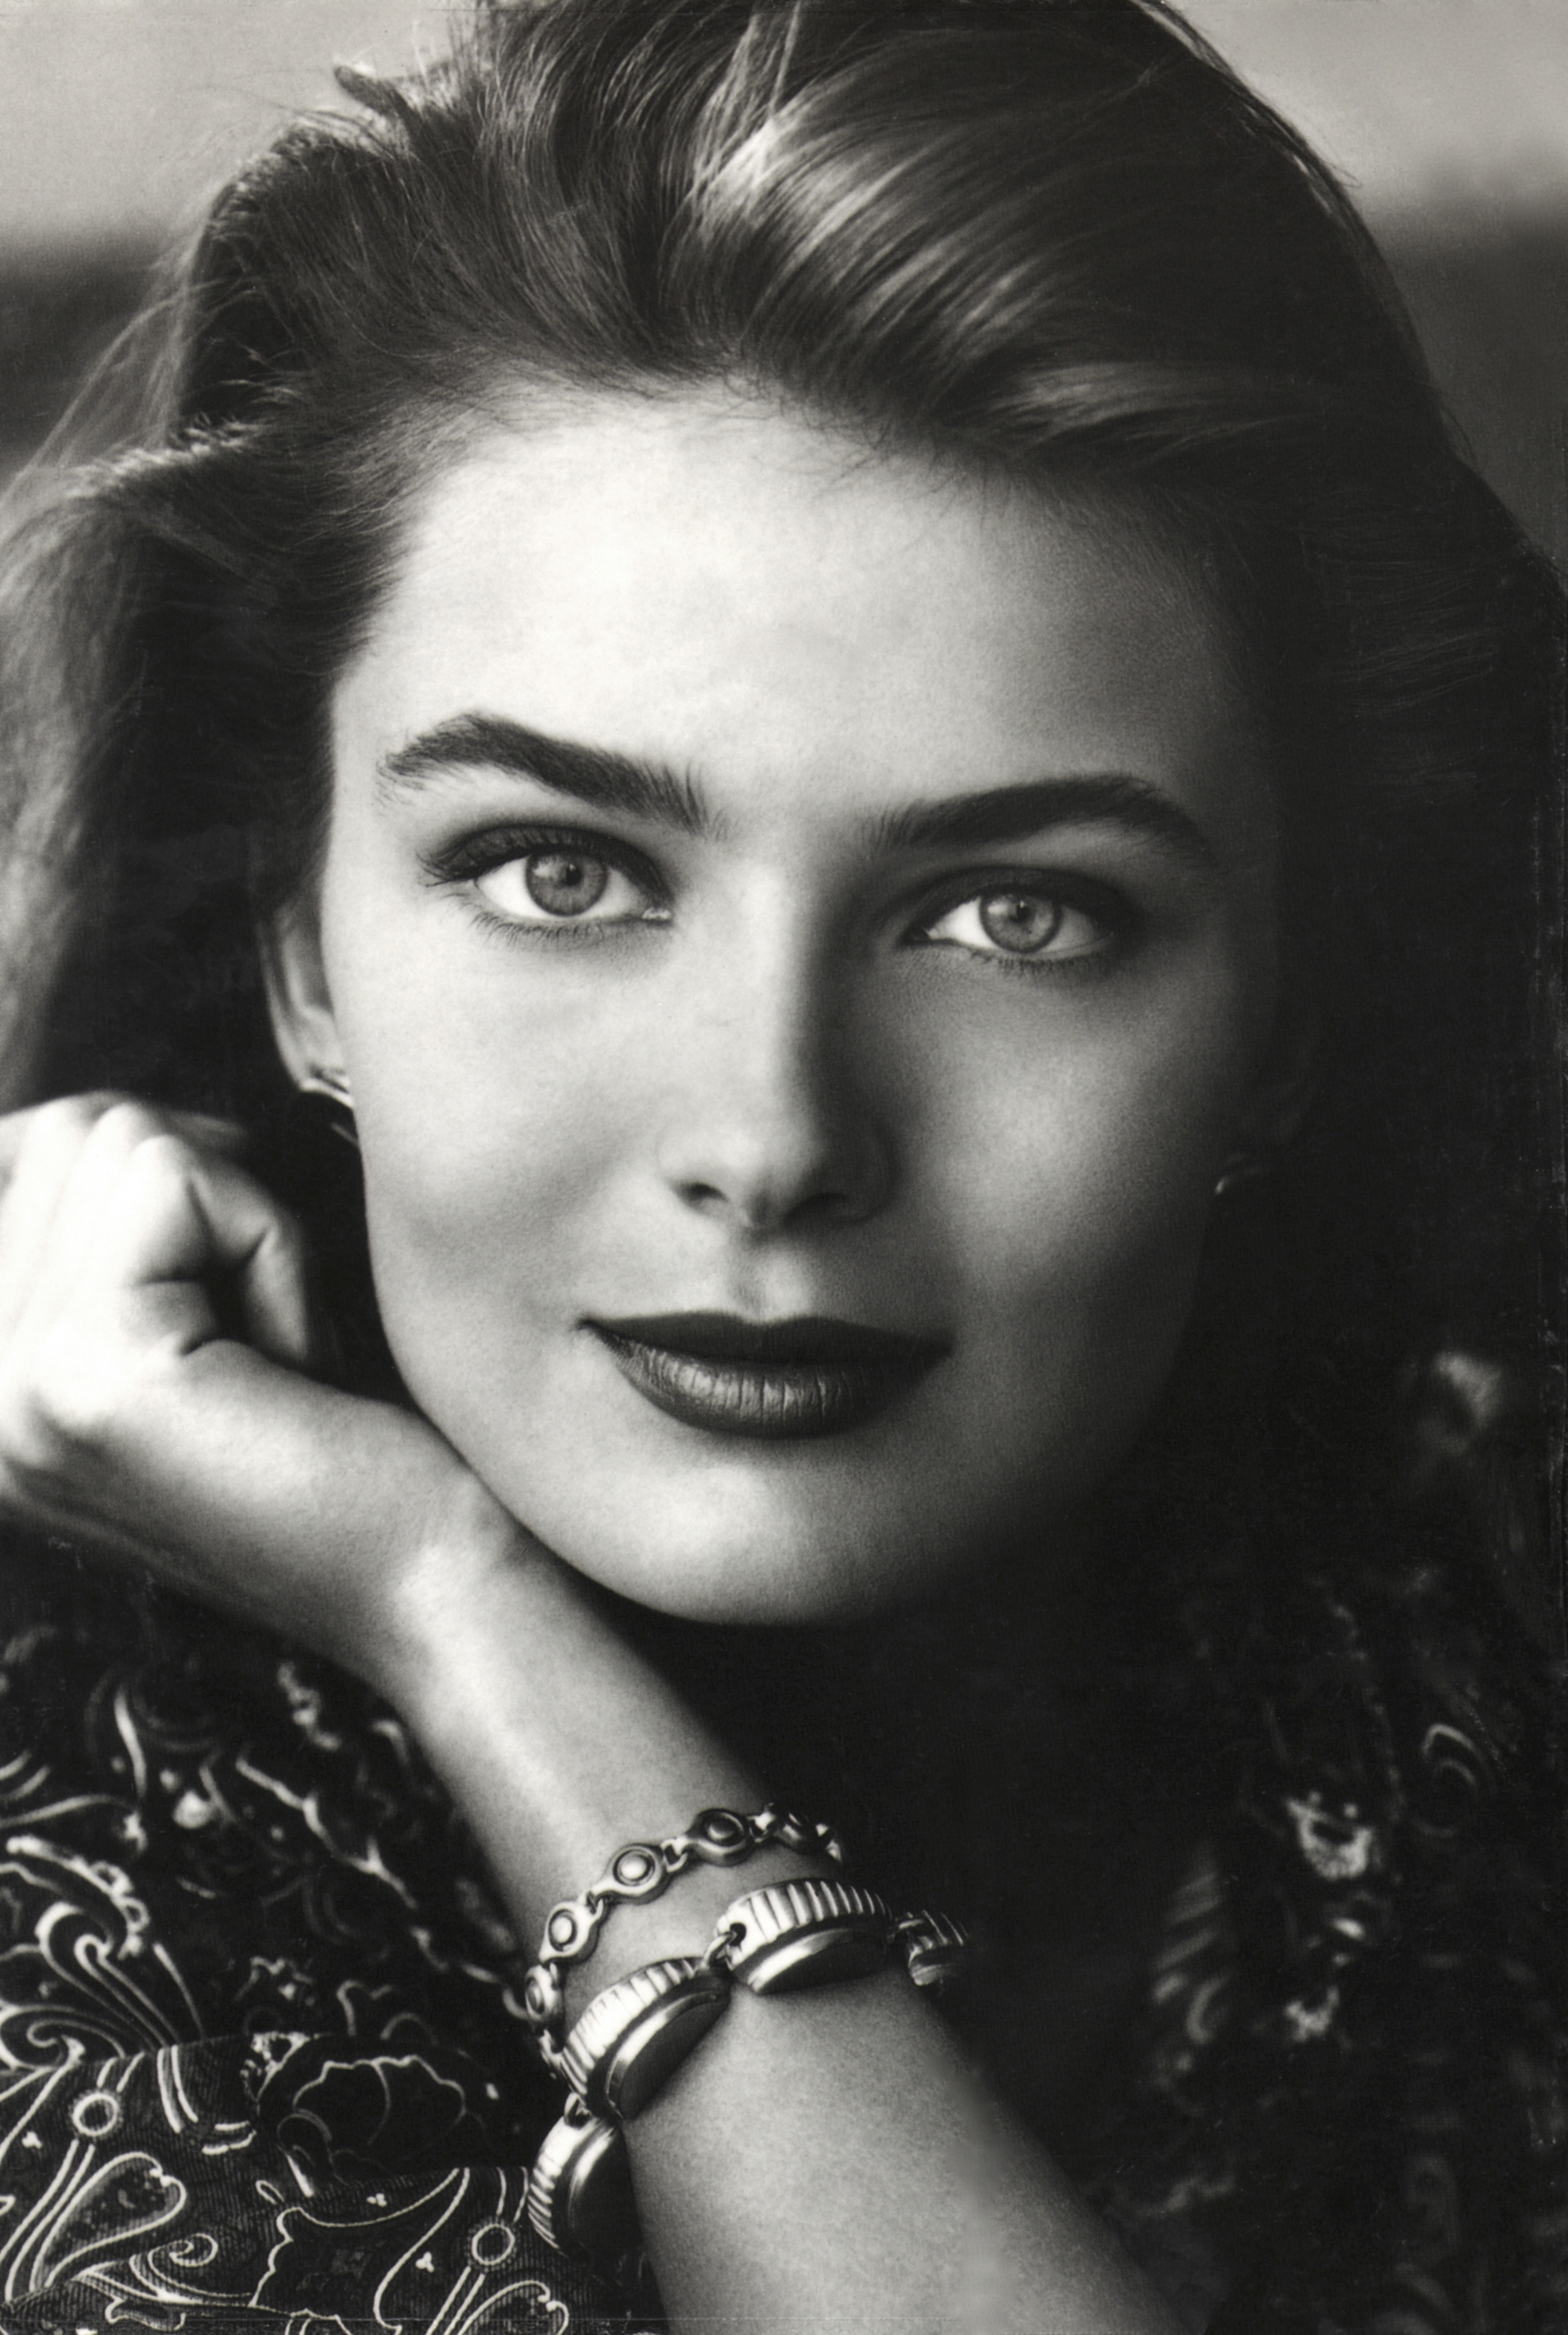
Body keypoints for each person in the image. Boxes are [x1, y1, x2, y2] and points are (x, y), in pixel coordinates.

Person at [0, 0, 1559, 2328]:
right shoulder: (57, 1890)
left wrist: (482, 1646)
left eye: (1018, 915)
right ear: (298, 958)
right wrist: (445, 1603)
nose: (775, 1139)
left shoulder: (1469, 1595)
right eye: (556, 874)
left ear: (1284, 1023)